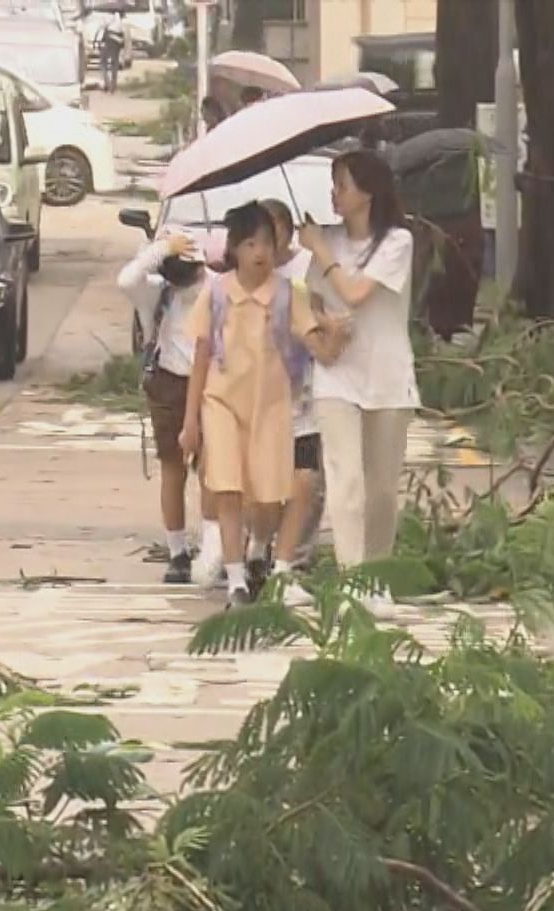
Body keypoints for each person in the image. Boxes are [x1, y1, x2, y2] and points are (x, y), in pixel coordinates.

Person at [179, 203, 330, 608]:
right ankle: (236, 581)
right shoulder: (216, 294)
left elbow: (316, 343)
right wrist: (190, 420)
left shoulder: (286, 295)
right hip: (222, 404)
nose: (260, 252)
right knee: (227, 488)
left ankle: (259, 548)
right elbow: (201, 354)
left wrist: (333, 329)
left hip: (272, 409)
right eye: (250, 243)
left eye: (266, 242)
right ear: (234, 249)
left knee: (266, 498)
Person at [299, 150, 417, 613]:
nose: (334, 194)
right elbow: (311, 301)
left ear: (367, 192)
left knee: (382, 488)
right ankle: (353, 580)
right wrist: (326, 325)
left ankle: (377, 575)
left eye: (342, 185)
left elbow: (356, 293)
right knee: (345, 481)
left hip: (388, 376)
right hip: (337, 375)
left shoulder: (396, 243)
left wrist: (323, 254)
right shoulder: (324, 242)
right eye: (333, 184)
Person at [118, 229, 213, 585]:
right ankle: (177, 552)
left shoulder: (216, 287)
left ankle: (212, 547)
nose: (189, 282)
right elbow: (126, 278)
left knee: (213, 474)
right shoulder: (157, 294)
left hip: (212, 386)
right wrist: (161, 249)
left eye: (192, 272)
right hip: (169, 385)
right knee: (174, 469)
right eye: (179, 274)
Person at [261, 199, 329, 600]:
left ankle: (292, 561)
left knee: (306, 478)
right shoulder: (247, 275)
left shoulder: (306, 268)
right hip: (262, 396)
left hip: (304, 392)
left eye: (274, 232)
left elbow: (320, 314)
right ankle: (258, 554)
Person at [94, 12, 125, 93]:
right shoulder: (121, 22)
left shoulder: (108, 17)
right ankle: (113, 86)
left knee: (103, 64)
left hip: (108, 42)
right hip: (116, 45)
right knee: (114, 65)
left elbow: (100, 30)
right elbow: (122, 39)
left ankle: (107, 84)